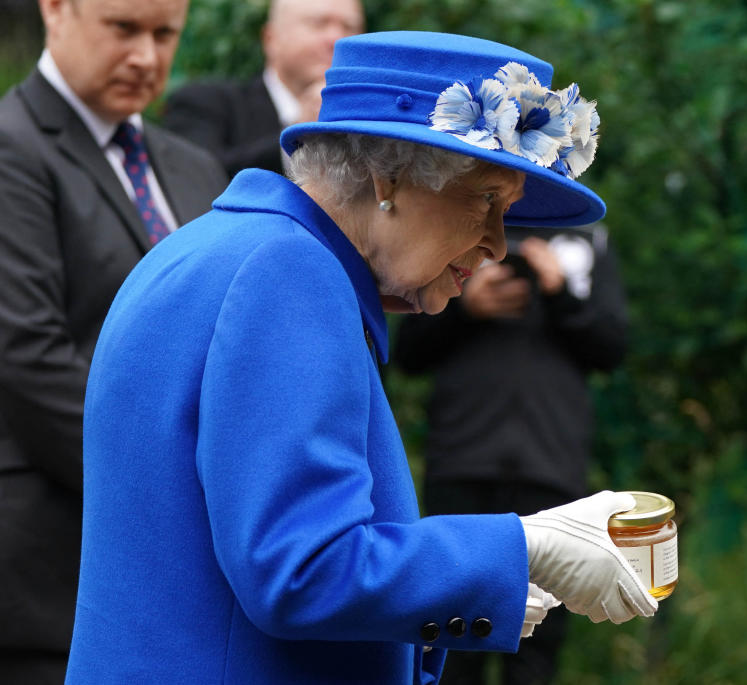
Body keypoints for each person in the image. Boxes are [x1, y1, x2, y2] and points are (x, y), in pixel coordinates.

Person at [64, 31, 659, 684]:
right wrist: (522, 547)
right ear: (387, 178)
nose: (496, 244)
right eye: (487, 201)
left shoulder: (222, 246)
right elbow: (303, 567)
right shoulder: (288, 272)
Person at [0, 0, 227, 682]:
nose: (147, 57)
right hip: (52, 558)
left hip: (183, 577)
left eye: (165, 35)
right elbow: (26, 356)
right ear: (56, 10)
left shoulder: (193, 168)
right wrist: (181, 486)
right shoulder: (12, 147)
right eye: (123, 29)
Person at [393, 223, 628, 684]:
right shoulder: (461, 221)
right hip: (462, 464)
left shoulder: (589, 237)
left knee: (536, 648)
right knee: (454, 634)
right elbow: (406, 353)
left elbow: (612, 347)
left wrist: (558, 290)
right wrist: (464, 307)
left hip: (550, 470)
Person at [162, 0, 365, 177]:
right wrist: (298, 139)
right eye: (319, 24)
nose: (336, 39)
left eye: (350, 27)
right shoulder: (205, 103)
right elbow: (194, 182)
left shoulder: (371, 124)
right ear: (271, 39)